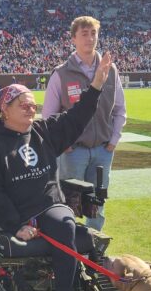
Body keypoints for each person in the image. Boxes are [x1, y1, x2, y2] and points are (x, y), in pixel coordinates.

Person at [0, 54, 111, 291]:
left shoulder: (43, 132)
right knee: (68, 230)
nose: (30, 107)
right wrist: (16, 225)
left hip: (49, 206)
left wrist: (96, 85)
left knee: (66, 223)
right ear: (4, 110)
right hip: (17, 214)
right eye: (21, 104)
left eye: (32, 103)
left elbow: (77, 117)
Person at [42, 16, 126, 232]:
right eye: (84, 34)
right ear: (73, 39)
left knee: (98, 204)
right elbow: (49, 115)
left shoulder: (111, 70)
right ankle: (69, 250)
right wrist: (65, 144)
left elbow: (120, 110)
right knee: (68, 203)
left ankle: (94, 251)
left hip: (103, 150)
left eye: (93, 33)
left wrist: (113, 141)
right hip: (73, 152)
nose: (90, 38)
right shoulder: (61, 73)